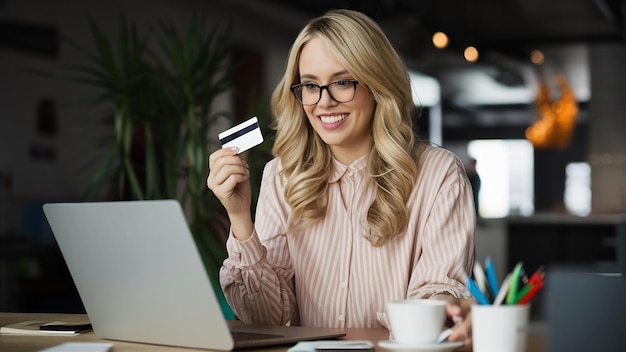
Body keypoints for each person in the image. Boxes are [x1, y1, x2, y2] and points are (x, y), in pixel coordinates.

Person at [207, 8, 476, 345]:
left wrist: (442, 311)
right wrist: (239, 217)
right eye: (310, 85)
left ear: (378, 83)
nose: (324, 102)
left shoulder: (439, 176)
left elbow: (438, 297)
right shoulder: (282, 175)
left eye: (342, 82)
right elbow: (267, 319)